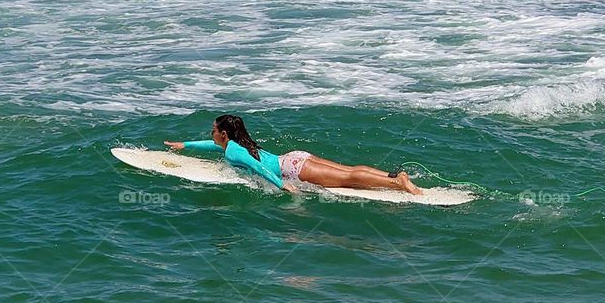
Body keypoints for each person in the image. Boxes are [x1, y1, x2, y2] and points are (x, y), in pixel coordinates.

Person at [164, 114, 422, 195]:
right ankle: (393, 175)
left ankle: (397, 183)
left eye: (213, 131)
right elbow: (212, 147)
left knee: (348, 179)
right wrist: (185, 146)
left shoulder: (233, 152)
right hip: (295, 158)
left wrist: (282, 186)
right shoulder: (236, 142)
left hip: (292, 170)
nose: (211, 134)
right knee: (348, 170)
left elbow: (257, 168)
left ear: (223, 134)